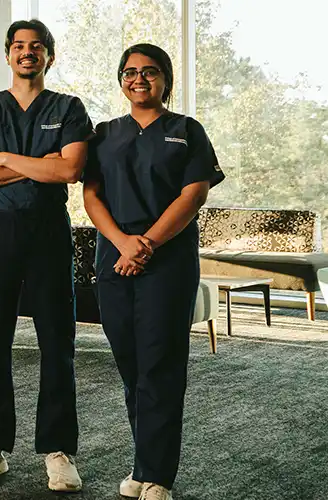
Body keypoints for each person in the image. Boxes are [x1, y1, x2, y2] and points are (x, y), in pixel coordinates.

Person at [0, 19, 92, 492]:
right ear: (8, 55)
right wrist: (40, 166)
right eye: (18, 46)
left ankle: (58, 450)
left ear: (49, 56)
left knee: (58, 340)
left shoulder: (68, 108)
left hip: (48, 233)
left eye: (36, 47)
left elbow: (71, 169)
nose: (27, 53)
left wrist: (4, 159)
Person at [83, 44, 224, 500]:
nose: (138, 79)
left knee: (160, 365)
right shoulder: (104, 133)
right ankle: (142, 464)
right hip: (114, 259)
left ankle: (157, 474)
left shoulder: (187, 130)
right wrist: (123, 244)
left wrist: (145, 244)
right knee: (130, 365)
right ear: (120, 79)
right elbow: (90, 196)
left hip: (166, 262)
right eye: (129, 72)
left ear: (165, 78)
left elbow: (193, 195)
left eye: (149, 72)